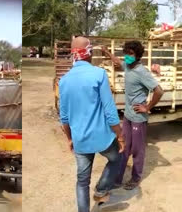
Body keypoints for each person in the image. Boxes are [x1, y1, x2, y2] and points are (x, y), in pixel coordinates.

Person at [59, 36, 125, 212]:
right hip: (102, 136)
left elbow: (64, 118)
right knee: (116, 158)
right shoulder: (98, 74)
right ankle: (102, 189)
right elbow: (110, 111)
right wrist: (120, 135)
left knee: (82, 181)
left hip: (80, 139)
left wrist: (69, 139)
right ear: (88, 54)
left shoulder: (64, 80)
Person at [101, 41, 164, 190]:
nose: (127, 56)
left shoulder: (142, 72)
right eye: (126, 53)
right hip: (128, 116)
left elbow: (159, 91)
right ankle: (117, 179)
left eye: (131, 54)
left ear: (137, 55)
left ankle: (135, 178)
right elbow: (117, 61)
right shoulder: (129, 66)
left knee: (137, 150)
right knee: (123, 147)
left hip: (138, 118)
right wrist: (107, 52)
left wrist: (147, 107)